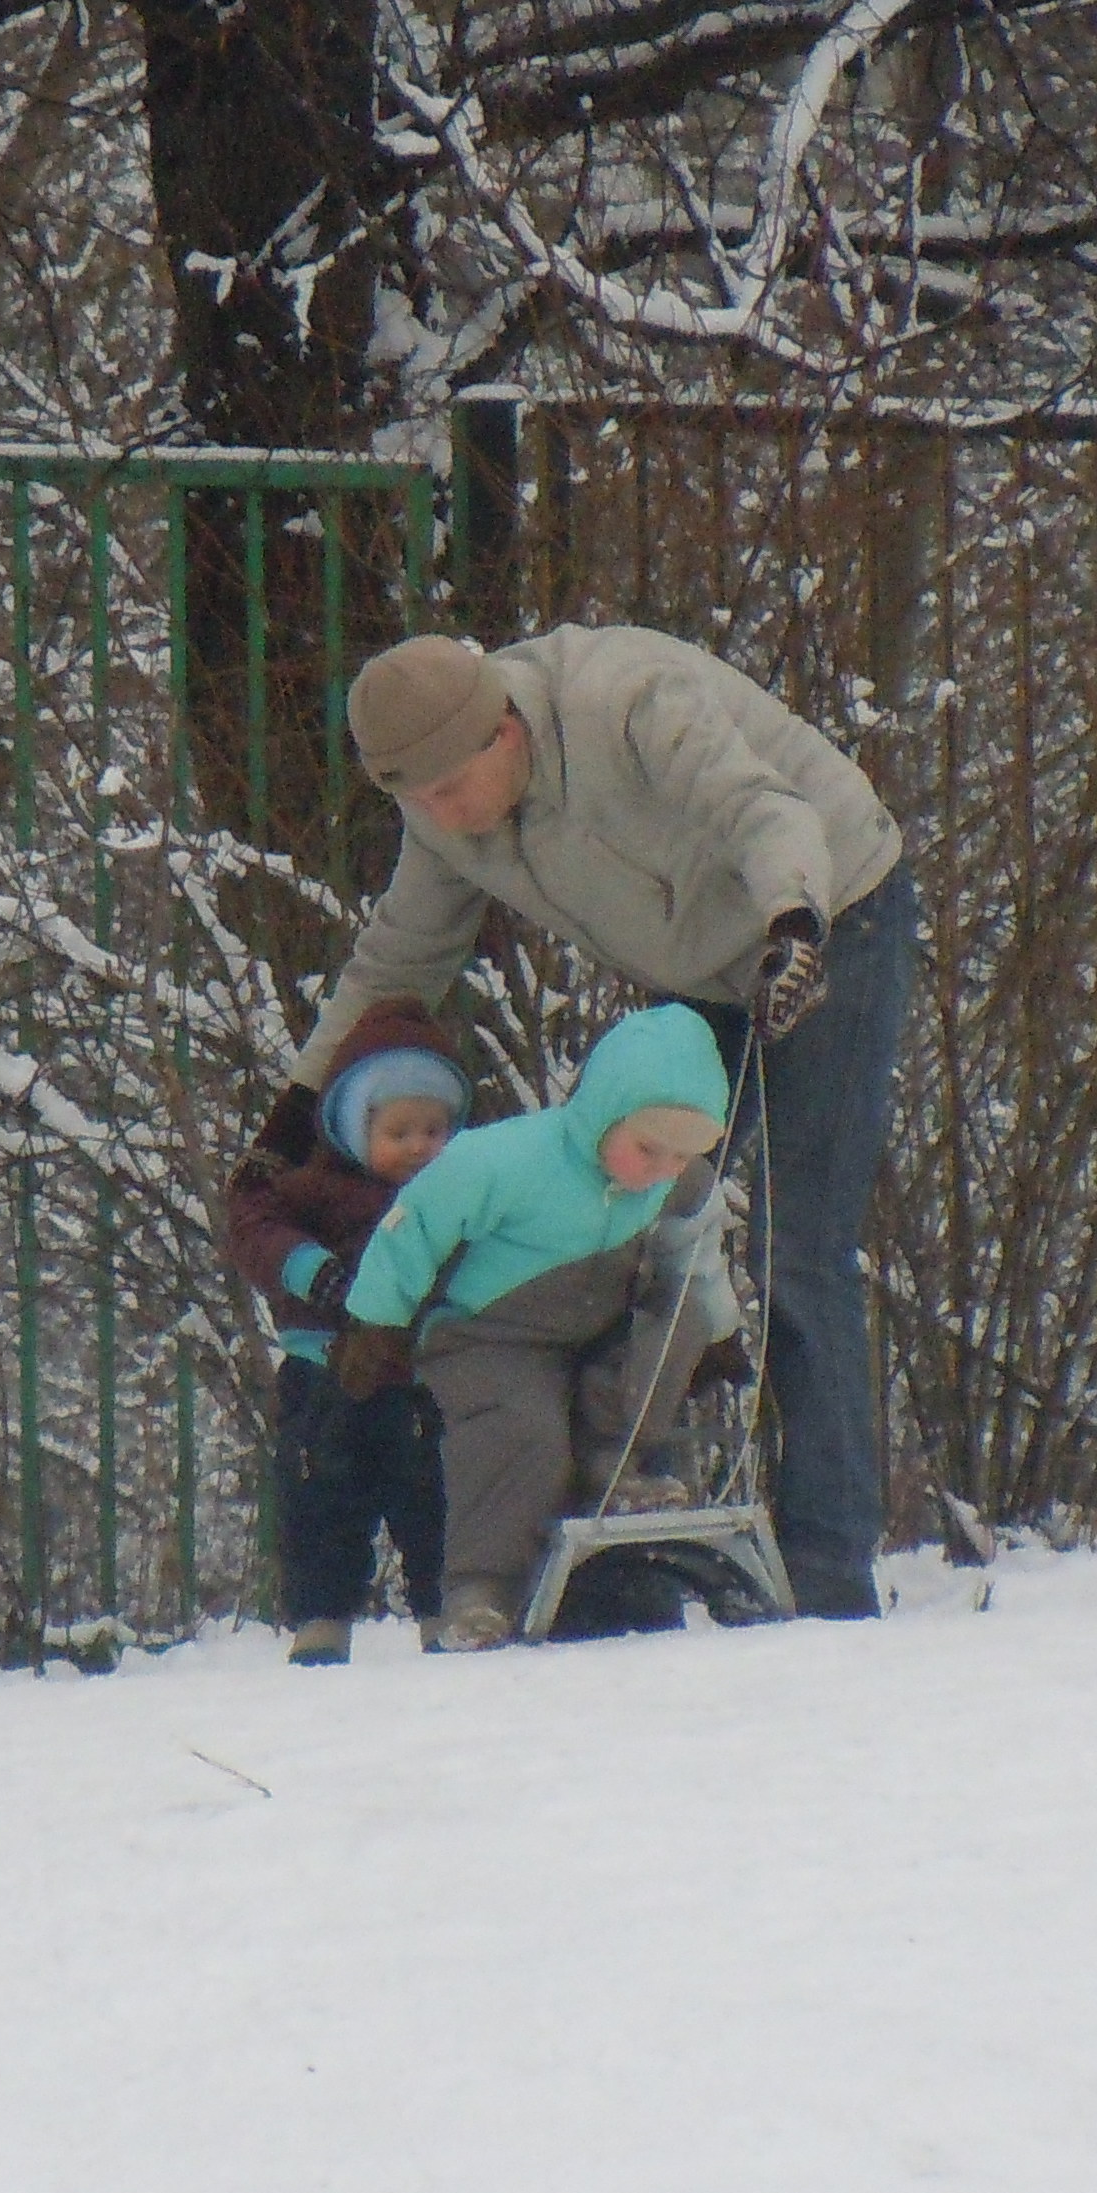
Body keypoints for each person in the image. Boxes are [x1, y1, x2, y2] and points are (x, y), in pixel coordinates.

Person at [270, 626, 914, 1618]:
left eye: (448, 791)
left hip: (827, 913)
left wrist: (795, 923)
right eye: (415, 803)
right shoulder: (444, 812)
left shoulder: (626, 703)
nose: (439, 819)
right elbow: (398, 962)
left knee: (797, 1241)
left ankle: (828, 1571)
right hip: (697, 973)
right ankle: (627, 1560)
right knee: (612, 1227)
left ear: (503, 731)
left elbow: (765, 810)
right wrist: (292, 1120)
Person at [328, 1003, 732, 1652]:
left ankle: (612, 1466)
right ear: (604, 1114)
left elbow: (696, 1253)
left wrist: (719, 1332)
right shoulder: (508, 1161)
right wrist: (376, 1321)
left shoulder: (676, 1182)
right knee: (524, 1435)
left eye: (681, 1155)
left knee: (677, 1320)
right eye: (648, 1148)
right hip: (489, 1337)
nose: (662, 1168)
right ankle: (481, 1592)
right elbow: (414, 1225)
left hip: (595, 1330)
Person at [220, 1000, 466, 1668]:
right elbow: (257, 1232)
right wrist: (314, 1273)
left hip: (421, 1371)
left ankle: (445, 1609)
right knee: (320, 1495)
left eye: (434, 1130)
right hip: (325, 1367)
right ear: (356, 1128)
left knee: (436, 1493)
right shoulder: (313, 1189)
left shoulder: (456, 1195)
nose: (418, 1147)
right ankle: (321, 1619)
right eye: (399, 1132)